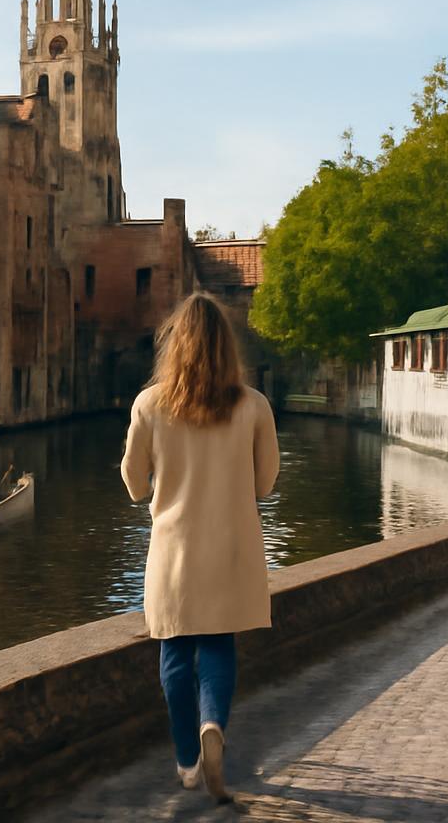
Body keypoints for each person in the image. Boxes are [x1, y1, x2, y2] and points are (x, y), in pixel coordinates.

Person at [121, 293, 280, 803]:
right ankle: (213, 723)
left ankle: (188, 758)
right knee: (217, 646)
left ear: (174, 347)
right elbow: (266, 484)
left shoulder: (149, 404)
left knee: (174, 651)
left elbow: (133, 484)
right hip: (233, 547)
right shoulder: (254, 406)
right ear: (226, 346)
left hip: (174, 551)